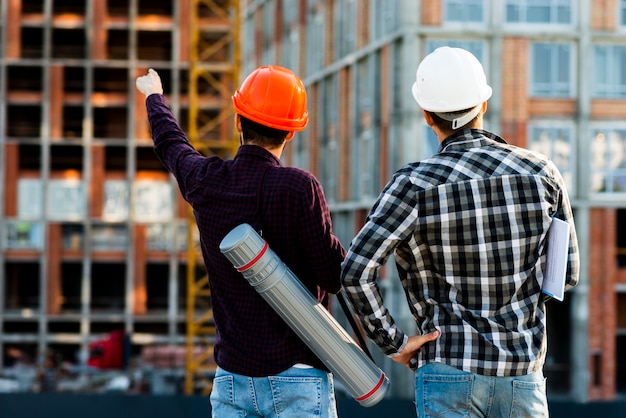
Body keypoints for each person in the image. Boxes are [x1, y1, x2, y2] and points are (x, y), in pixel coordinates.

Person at [340, 46, 579, 417]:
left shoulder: (413, 185)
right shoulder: (542, 174)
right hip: (523, 374)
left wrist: (394, 343)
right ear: (483, 105)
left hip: (447, 369)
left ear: (426, 115)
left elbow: (356, 272)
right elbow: (565, 276)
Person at [136, 65, 346, 417]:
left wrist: (154, 97)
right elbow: (334, 275)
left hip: (233, 377)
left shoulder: (206, 181)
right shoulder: (300, 188)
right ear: (291, 132)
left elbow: (171, 143)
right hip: (297, 373)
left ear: (238, 122)